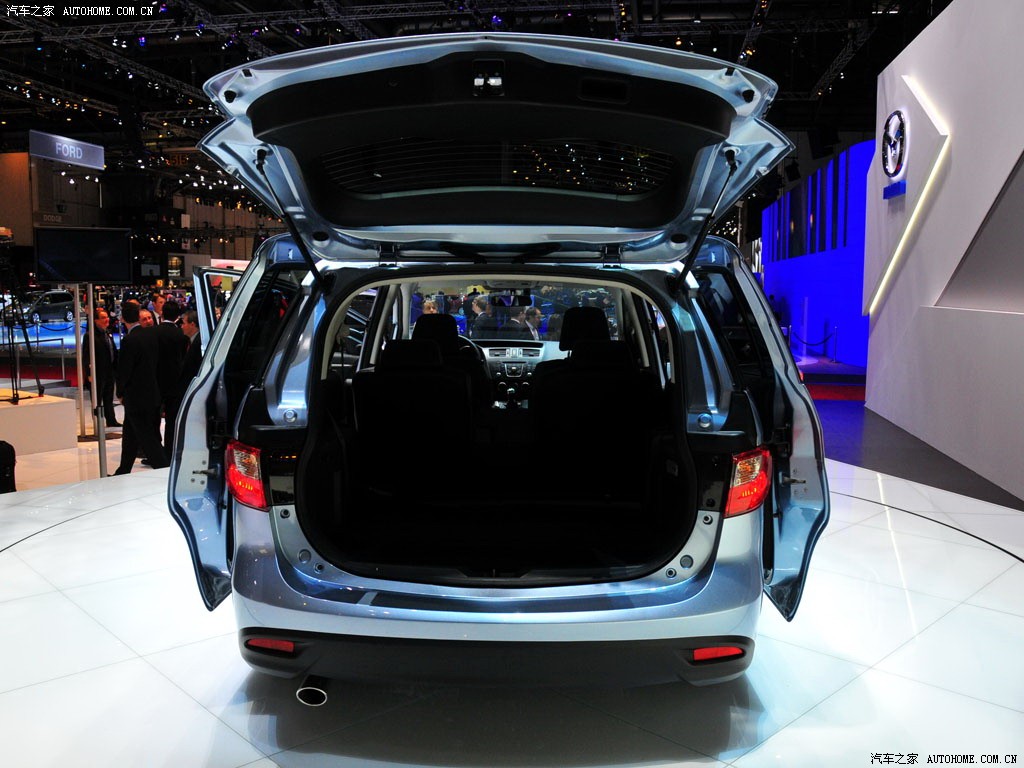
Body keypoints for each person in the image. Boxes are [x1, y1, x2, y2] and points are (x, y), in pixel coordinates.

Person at [113, 301, 168, 475]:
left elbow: (125, 369)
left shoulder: (130, 340)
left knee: (147, 438)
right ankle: (123, 470)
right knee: (130, 435)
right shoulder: (151, 336)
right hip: (152, 393)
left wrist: (120, 391)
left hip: (136, 396)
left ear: (123, 319)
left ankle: (165, 471)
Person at [164, 310, 202, 456]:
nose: (181, 326)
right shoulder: (189, 342)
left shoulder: (199, 344)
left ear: (192, 324)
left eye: (184, 323)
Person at [157, 300, 188, 453]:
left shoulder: (155, 332)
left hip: (157, 381)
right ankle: (170, 450)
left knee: (153, 419)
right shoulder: (181, 335)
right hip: (175, 382)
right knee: (172, 420)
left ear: (162, 313)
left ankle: (155, 451)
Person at [83, 307, 120, 428]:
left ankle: (111, 420)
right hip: (98, 373)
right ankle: (97, 421)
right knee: (97, 399)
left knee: (109, 397)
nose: (107, 319)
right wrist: (89, 373)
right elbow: (86, 356)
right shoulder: (90, 336)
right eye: (103, 318)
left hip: (109, 371)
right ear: (96, 320)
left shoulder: (107, 333)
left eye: (107, 317)